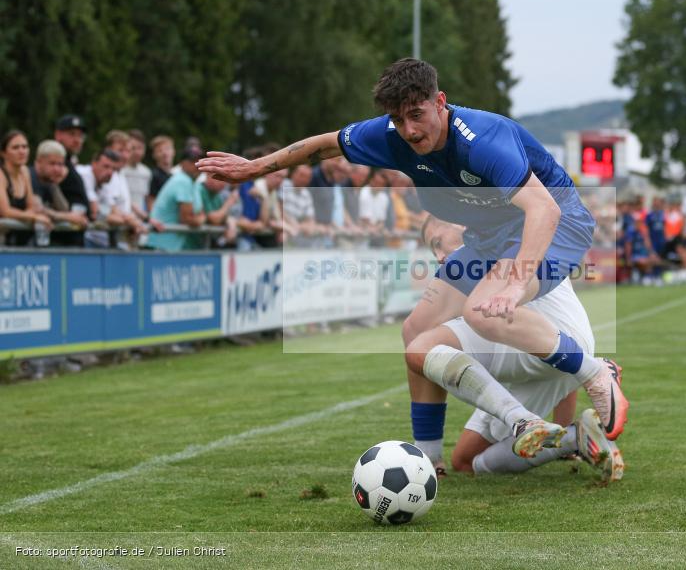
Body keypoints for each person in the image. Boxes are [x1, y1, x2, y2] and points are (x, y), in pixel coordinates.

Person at [199, 58, 629, 453]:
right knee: (416, 331)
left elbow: (544, 208)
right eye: (398, 119)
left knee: (484, 311)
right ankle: (429, 456)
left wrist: (515, 282)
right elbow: (323, 145)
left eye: (417, 115)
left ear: (440, 102)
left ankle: (594, 373)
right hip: (489, 238)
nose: (408, 130)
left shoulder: (482, 141)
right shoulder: (392, 135)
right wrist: (256, 167)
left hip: (558, 224)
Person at [422, 216, 624, 481]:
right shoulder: (525, 239)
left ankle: (571, 438)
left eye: (438, 243)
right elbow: (557, 337)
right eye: (431, 250)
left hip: (543, 354)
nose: (438, 256)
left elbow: (424, 330)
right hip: (566, 350)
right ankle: (575, 431)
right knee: (556, 348)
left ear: (462, 225)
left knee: (464, 461)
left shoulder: (480, 255)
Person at [146, 146, 206, 252]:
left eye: (200, 161)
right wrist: (200, 219)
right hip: (161, 246)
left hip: (171, 245)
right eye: (192, 161)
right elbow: (186, 218)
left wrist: (199, 218)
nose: (197, 165)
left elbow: (200, 213)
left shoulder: (193, 182)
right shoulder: (182, 181)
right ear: (182, 163)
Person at [29, 140, 90, 242]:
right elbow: (38, 209)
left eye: (60, 164)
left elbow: (64, 208)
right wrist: (69, 217)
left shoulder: (49, 181)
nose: (57, 169)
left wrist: (54, 186)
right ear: (39, 162)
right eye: (52, 164)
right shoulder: (30, 177)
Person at [0, 130, 51, 245]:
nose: (22, 151)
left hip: (17, 238)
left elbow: (30, 206)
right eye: (15, 147)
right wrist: (34, 217)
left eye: (25, 147)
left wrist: (31, 215)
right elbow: (5, 211)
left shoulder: (25, 172)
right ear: (3, 153)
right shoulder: (1, 175)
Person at [52, 115, 90, 247]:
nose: (77, 140)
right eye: (72, 134)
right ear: (58, 135)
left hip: (75, 237)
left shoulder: (71, 164)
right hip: (58, 240)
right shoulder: (53, 163)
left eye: (80, 136)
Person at [121, 129, 153, 221]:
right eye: (133, 148)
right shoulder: (120, 170)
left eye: (140, 148)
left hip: (140, 222)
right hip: (124, 219)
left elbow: (147, 199)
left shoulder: (146, 172)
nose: (137, 152)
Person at [147, 135, 176, 211]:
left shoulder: (175, 176)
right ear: (154, 155)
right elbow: (151, 201)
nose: (164, 153)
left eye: (167, 149)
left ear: (173, 151)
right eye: (160, 150)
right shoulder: (153, 175)